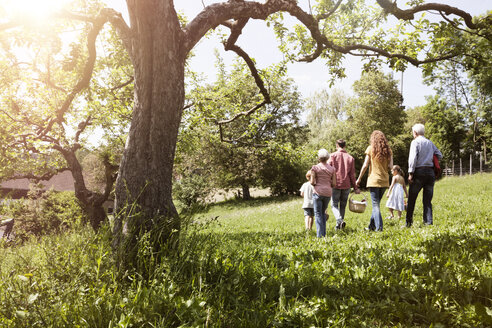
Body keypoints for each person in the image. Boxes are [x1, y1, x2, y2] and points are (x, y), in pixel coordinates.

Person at [405, 123, 442, 227]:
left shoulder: (415, 142)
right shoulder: (430, 143)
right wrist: (430, 157)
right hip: (430, 173)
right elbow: (440, 155)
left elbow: (412, 159)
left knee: (412, 198)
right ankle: (428, 222)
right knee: (427, 200)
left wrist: (410, 173)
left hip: (419, 171)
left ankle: (408, 223)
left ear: (415, 132)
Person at [356, 130, 393, 232]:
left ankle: (379, 228)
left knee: (375, 205)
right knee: (376, 205)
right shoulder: (388, 151)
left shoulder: (370, 149)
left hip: (373, 180)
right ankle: (371, 227)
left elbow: (365, 165)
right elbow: (391, 167)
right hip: (384, 180)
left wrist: (359, 179)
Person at [328, 139, 360, 230]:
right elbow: (352, 175)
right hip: (346, 185)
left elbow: (328, 170)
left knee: (334, 205)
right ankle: (339, 226)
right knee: (343, 205)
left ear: (337, 145)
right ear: (345, 146)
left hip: (335, 184)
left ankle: (339, 220)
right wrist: (355, 187)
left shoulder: (332, 156)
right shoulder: (350, 158)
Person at [310, 149, 336, 237]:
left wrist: (316, 182)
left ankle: (319, 236)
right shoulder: (332, 169)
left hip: (318, 192)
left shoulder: (315, 168)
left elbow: (312, 182)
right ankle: (323, 234)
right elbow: (334, 183)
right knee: (323, 214)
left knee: (317, 214)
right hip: (328, 193)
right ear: (327, 157)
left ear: (319, 158)